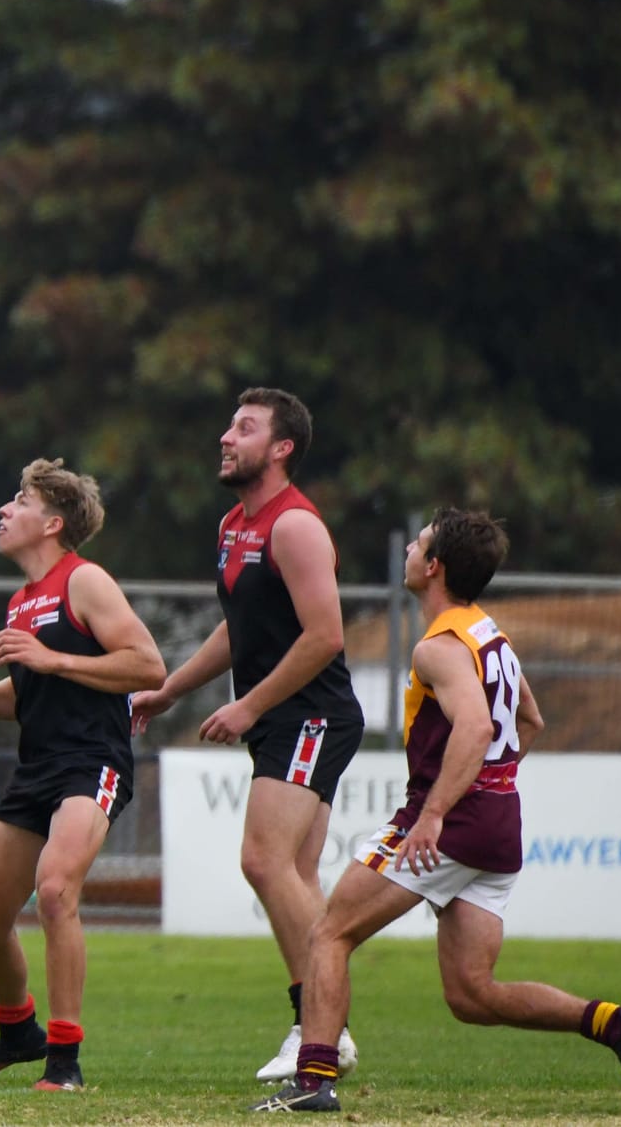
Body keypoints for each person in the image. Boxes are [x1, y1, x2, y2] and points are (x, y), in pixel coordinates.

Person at [254, 509, 621, 1112]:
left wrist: (438, 811)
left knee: (330, 932)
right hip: (497, 824)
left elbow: (473, 724)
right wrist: (491, 784)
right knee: (472, 994)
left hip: (454, 821)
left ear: (434, 566)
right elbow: (530, 719)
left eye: (417, 545)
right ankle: (618, 1025)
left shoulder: (438, 648)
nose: (410, 553)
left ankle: (313, 1081)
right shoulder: (487, 634)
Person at [130, 388, 364, 1080]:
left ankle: (319, 1026)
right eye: (230, 425)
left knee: (263, 861)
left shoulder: (294, 526)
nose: (226, 437)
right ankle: (324, 1029)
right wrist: (174, 687)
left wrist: (248, 707)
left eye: (245, 427)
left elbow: (325, 637)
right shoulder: (237, 523)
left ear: (282, 447)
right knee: (293, 873)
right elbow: (244, 627)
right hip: (284, 717)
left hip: (311, 714)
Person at [0, 459, 165, 1092]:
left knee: (55, 892)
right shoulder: (22, 600)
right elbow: (24, 699)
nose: (4, 510)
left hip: (93, 762)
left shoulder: (85, 581)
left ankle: (64, 1059)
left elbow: (148, 666)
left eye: (18, 500)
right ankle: (18, 1031)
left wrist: (51, 657)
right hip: (39, 766)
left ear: (52, 522)